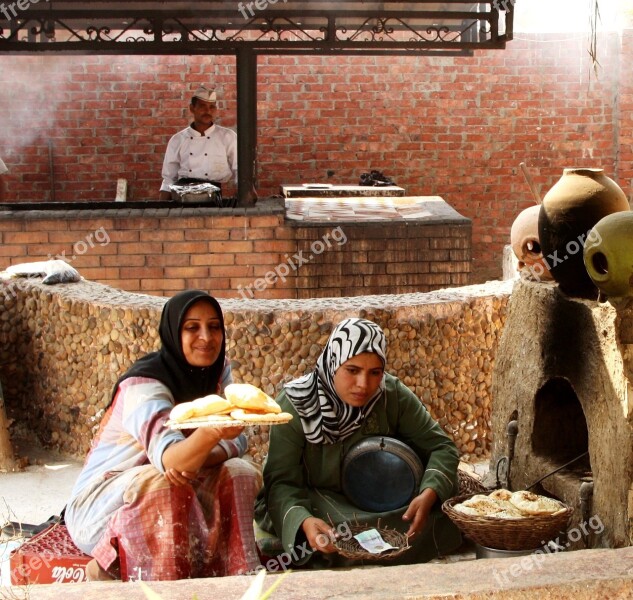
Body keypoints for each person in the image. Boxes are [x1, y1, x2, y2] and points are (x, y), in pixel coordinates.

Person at [65, 290, 262, 581]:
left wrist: (200, 455)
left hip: (183, 491)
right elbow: (173, 461)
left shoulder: (218, 371)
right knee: (163, 481)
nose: (206, 338)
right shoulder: (143, 385)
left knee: (240, 471)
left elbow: (240, 439)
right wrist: (211, 434)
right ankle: (129, 573)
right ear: (173, 332)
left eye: (214, 326)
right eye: (192, 327)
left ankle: (239, 578)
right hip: (100, 508)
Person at [254, 317, 462, 567]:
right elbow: (281, 482)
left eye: (375, 373)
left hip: (385, 504)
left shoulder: (391, 395)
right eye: (352, 370)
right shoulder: (296, 404)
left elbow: (442, 447)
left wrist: (430, 493)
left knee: (430, 517)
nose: (364, 385)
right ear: (333, 363)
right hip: (317, 502)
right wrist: (304, 520)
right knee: (335, 532)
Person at [159, 86, 238, 201]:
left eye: (212, 107)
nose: (208, 111)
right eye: (202, 106)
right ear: (192, 108)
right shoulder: (177, 140)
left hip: (215, 197)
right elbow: (169, 178)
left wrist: (244, 193)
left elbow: (239, 169)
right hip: (183, 197)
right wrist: (162, 207)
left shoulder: (228, 137)